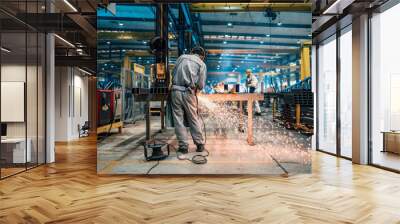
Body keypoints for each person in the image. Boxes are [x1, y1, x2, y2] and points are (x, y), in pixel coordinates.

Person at [171, 46, 207, 154]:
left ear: (191, 52)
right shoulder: (202, 64)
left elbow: (173, 72)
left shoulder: (181, 58)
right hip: (189, 92)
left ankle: (183, 147)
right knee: (193, 118)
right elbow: (200, 85)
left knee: (178, 120)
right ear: (202, 56)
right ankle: (199, 144)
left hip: (175, 91)